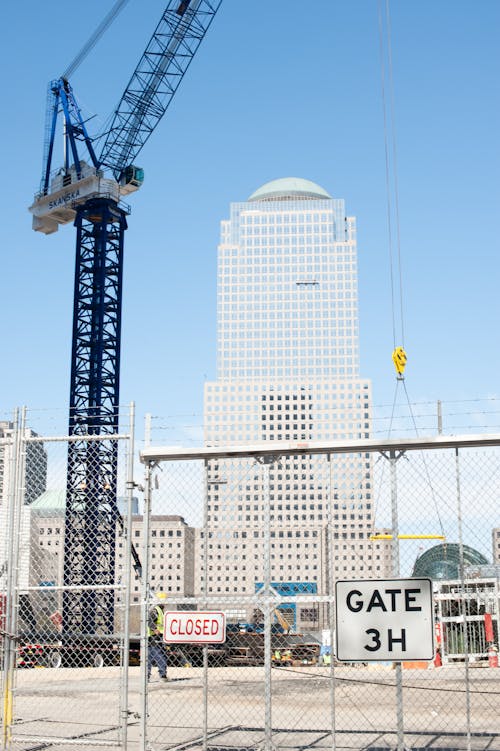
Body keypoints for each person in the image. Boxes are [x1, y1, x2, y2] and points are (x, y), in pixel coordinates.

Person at [147, 602, 168, 681]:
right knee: (160, 655)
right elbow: (150, 622)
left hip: (151, 637)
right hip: (154, 637)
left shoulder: (158, 610)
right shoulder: (156, 610)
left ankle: (146, 676)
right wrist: (155, 629)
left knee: (148, 657)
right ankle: (163, 675)